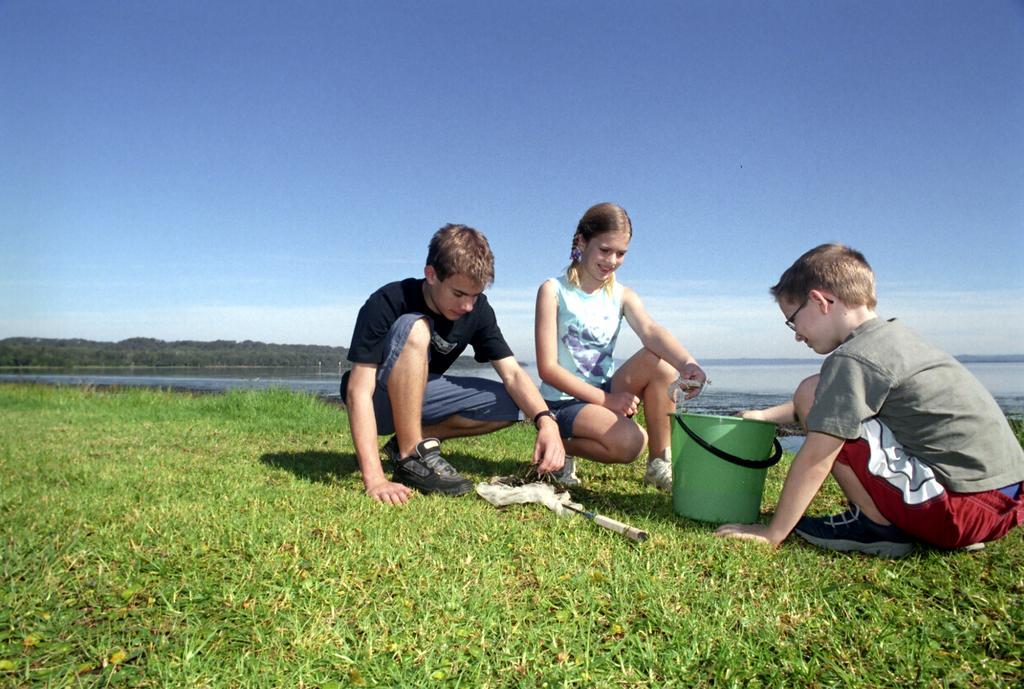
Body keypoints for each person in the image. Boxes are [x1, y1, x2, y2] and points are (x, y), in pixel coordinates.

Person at [715, 243, 1024, 557]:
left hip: (956, 511)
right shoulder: (895, 340)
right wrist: (766, 416)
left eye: (793, 321)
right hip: (1003, 505)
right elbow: (838, 404)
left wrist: (773, 532)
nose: (796, 334)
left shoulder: (853, 359)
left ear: (820, 301)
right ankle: (916, 523)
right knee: (816, 390)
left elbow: (816, 456)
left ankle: (875, 526)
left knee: (812, 391)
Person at [341, 223, 565, 505]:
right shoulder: (387, 300)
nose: (468, 306)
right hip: (379, 400)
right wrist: (375, 478)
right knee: (416, 327)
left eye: (475, 295)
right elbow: (357, 390)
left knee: (513, 404)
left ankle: (404, 445)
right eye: (459, 294)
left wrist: (546, 422)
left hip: (422, 396)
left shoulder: (477, 309)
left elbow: (513, 374)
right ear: (431, 275)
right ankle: (413, 456)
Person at [533, 202, 706, 491]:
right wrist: (608, 402)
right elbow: (547, 368)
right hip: (562, 403)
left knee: (660, 363)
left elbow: (651, 332)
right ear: (582, 242)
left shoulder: (622, 294)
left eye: (621, 253)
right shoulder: (553, 290)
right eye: (605, 250)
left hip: (603, 390)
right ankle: (556, 446)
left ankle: (659, 464)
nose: (612, 260)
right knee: (630, 443)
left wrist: (688, 364)